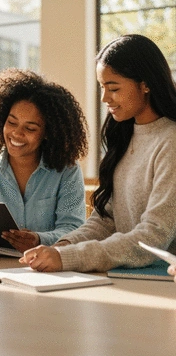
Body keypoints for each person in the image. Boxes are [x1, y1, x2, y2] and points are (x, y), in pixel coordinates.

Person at [20, 34, 176, 272]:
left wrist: (69, 257)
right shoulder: (124, 136)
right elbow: (106, 220)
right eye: (102, 87)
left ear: (145, 84)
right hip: (124, 277)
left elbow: (153, 236)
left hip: (160, 284)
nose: (104, 98)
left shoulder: (170, 141)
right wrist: (63, 247)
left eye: (113, 88)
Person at [0, 68, 89, 253]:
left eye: (31, 128)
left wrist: (39, 240)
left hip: (47, 271)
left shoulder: (67, 171)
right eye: (11, 122)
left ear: (48, 133)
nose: (17, 133)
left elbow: (74, 230)